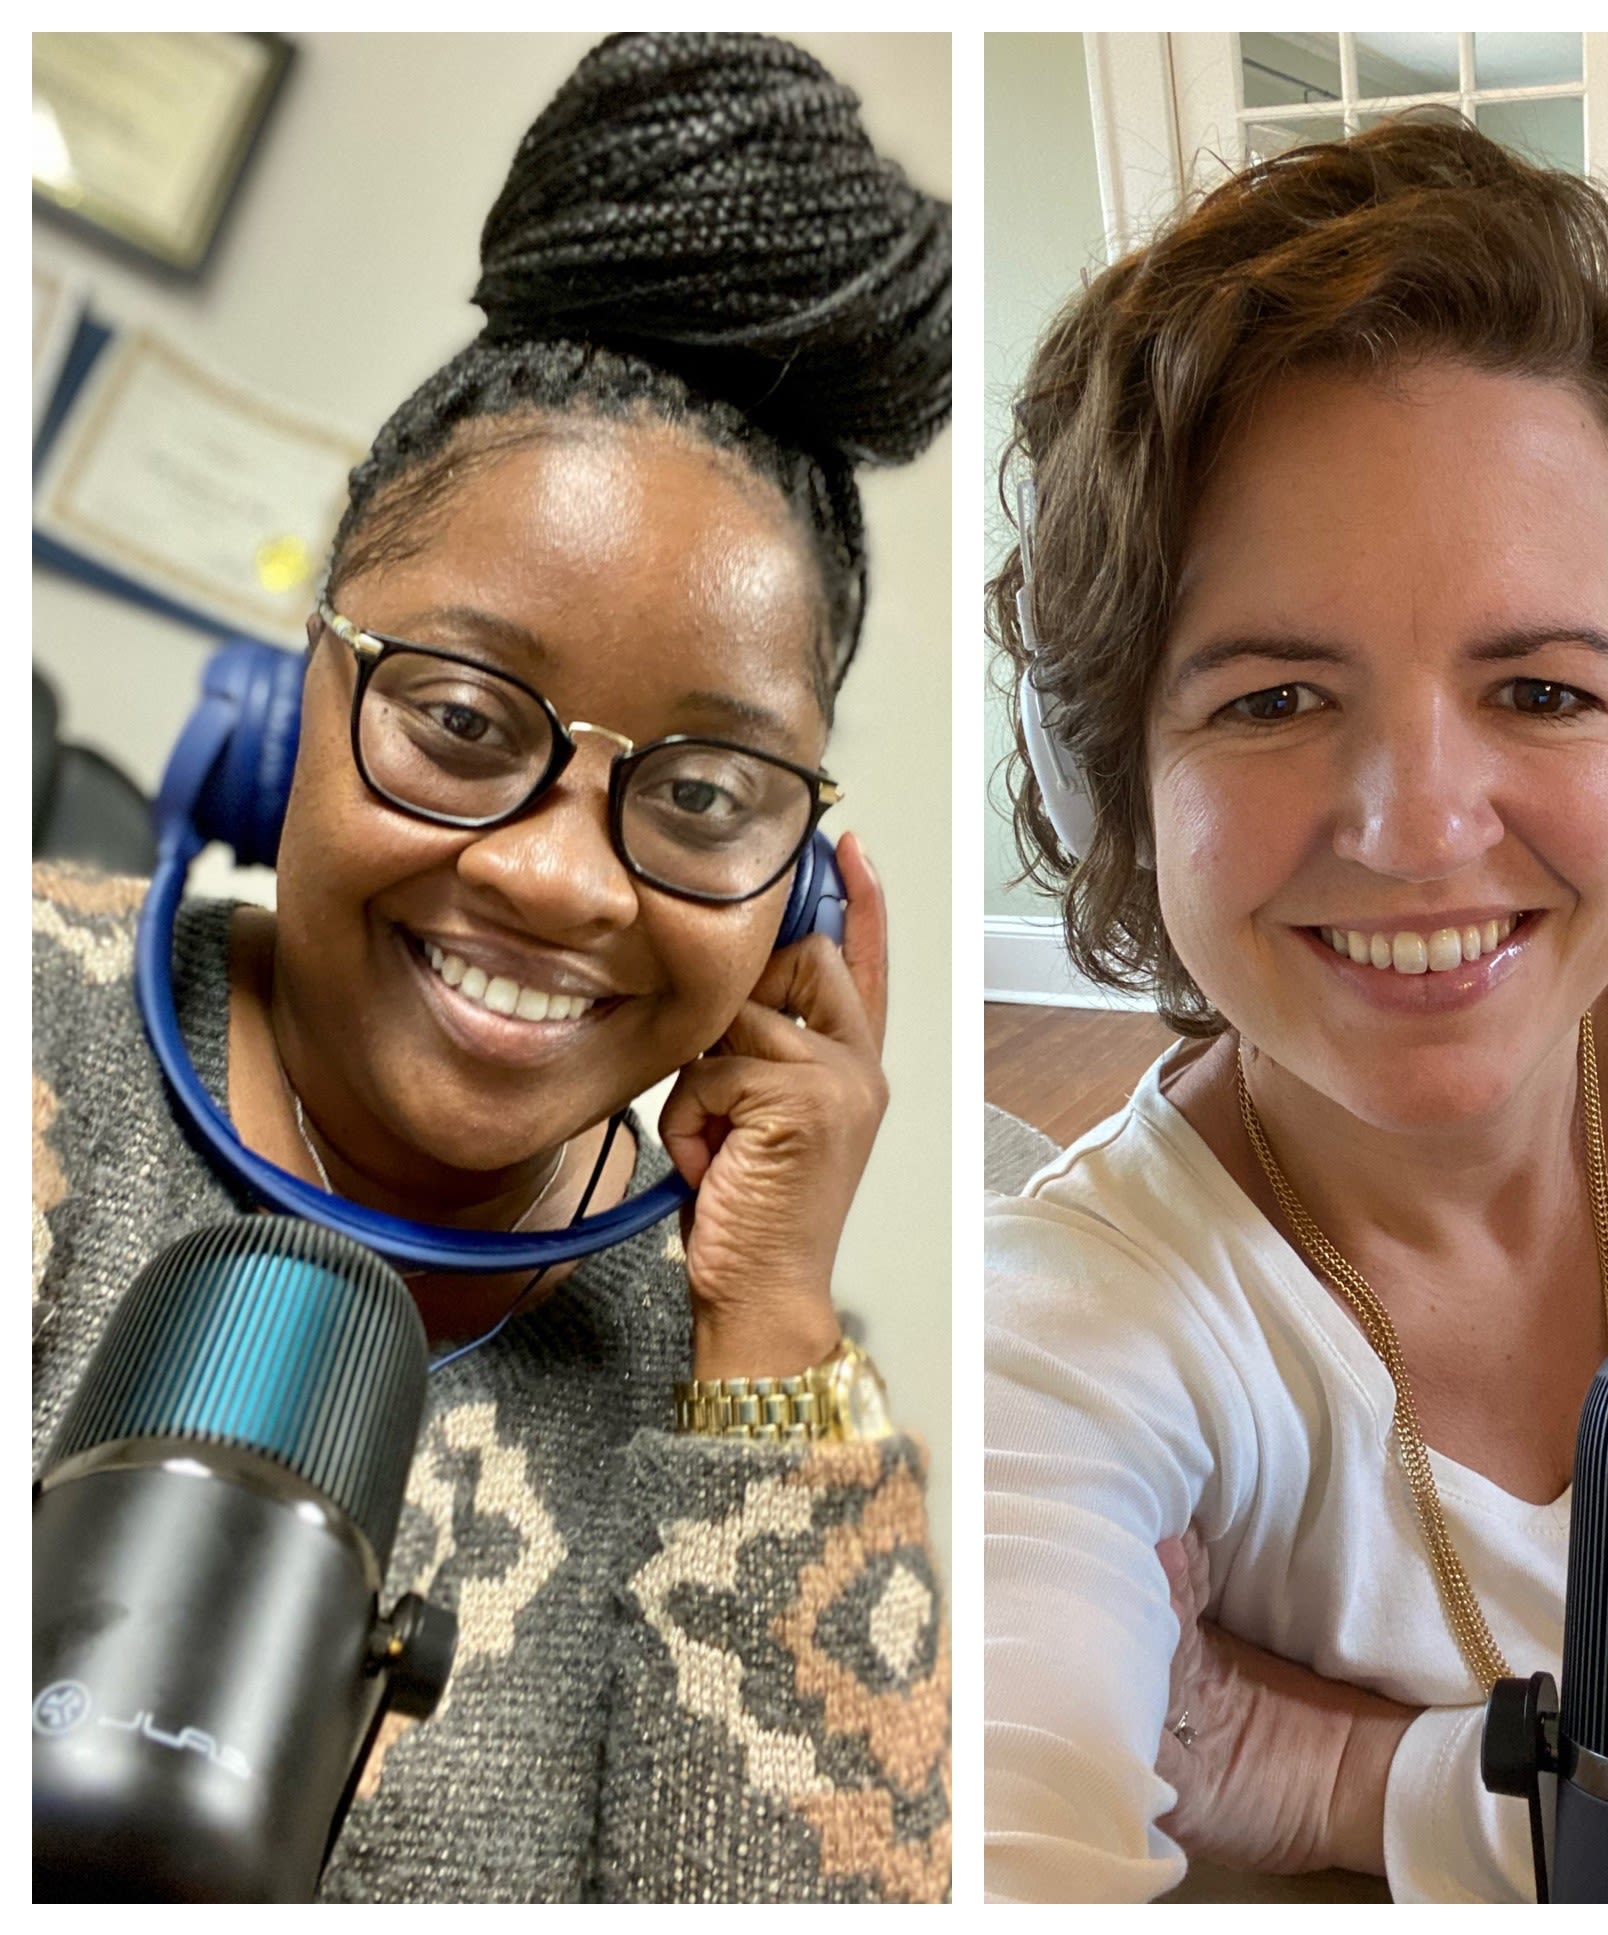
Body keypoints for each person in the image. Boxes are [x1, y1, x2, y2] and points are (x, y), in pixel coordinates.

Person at [33, 35, 951, 1903]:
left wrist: (767, 1327)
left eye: (701, 791)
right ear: (285, 705)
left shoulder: (760, 1383)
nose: (554, 876)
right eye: (459, 718)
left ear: (801, 904)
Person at [984, 120, 1608, 1904]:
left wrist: (1355, 1783)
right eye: (1270, 700)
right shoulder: (1062, 1335)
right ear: (1112, 784)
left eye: (1543, 687)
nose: (1416, 830)